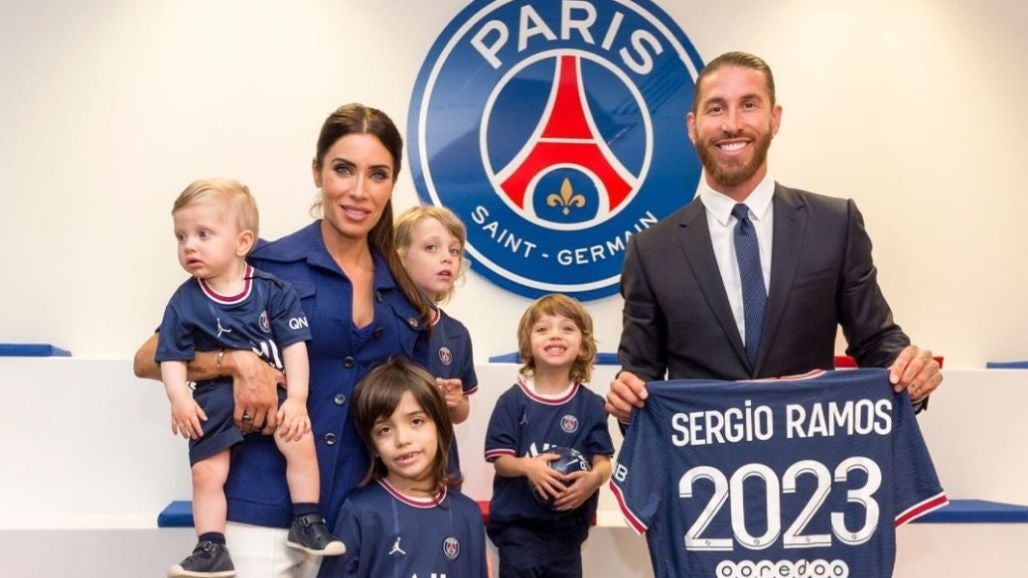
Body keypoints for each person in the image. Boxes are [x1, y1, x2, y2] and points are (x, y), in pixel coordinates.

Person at [135, 103, 433, 578]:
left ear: (392, 182)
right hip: (259, 510)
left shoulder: (404, 292)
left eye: (377, 174)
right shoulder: (264, 266)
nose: (359, 190)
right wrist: (237, 362)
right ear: (317, 172)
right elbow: (149, 358)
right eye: (343, 169)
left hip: (361, 517)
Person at [605, 51, 943, 423]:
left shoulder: (835, 224)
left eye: (749, 105)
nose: (732, 124)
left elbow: (876, 342)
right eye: (716, 109)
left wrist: (908, 371)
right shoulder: (651, 251)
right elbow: (640, 376)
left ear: (774, 118)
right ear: (692, 126)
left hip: (813, 451)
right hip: (700, 457)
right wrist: (626, 401)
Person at [157, 179, 344, 577]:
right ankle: (211, 546)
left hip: (275, 395)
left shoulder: (273, 291)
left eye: (203, 234)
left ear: (243, 242)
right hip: (212, 401)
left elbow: (295, 347)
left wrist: (297, 399)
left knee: (300, 441)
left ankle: (306, 519)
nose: (189, 246)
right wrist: (179, 398)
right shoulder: (184, 301)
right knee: (206, 473)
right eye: (181, 236)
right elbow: (170, 356)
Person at [317, 357, 488, 578]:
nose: (402, 439)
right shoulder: (360, 512)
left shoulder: (468, 513)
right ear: (373, 446)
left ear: (440, 426)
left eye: (416, 421)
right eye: (385, 430)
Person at [484, 294, 614, 578]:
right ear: (528, 345)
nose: (555, 335)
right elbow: (500, 461)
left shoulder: (592, 405)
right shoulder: (512, 401)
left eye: (567, 328)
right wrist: (528, 467)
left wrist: (593, 480)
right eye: (543, 329)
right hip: (520, 531)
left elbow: (603, 462)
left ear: (583, 346)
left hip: (568, 534)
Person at [395, 205, 477, 491]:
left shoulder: (457, 334)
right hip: (390, 466)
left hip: (441, 468)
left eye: (454, 251)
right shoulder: (383, 319)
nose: (446, 257)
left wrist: (455, 401)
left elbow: (462, 412)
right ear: (399, 257)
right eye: (431, 247)